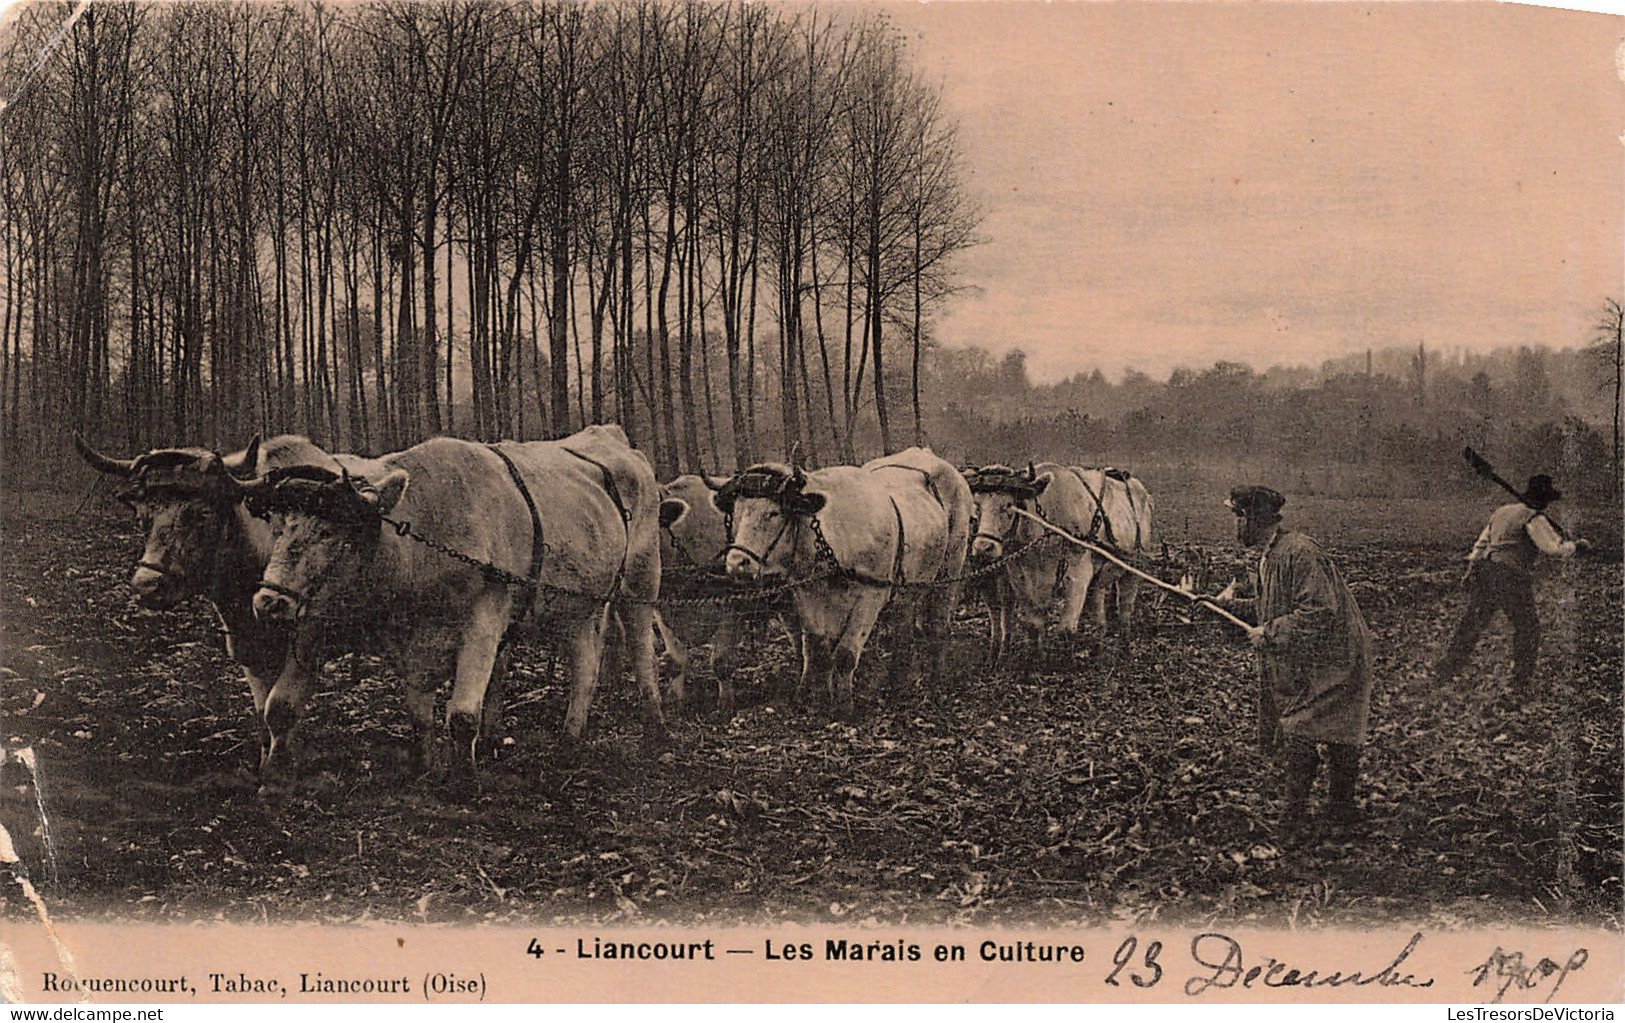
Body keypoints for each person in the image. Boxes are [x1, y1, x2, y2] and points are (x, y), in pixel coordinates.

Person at [1215, 485, 1374, 837]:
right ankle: (1337, 809)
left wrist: (1269, 633)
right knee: (1325, 729)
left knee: (1308, 727)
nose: (1236, 527)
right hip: (1319, 656)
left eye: (1238, 518)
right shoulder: (1270, 555)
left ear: (1253, 519)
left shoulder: (1300, 553)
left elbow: (1319, 610)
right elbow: (1269, 609)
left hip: (1339, 655)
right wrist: (1221, 609)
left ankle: (1298, 816)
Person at [1432, 474, 1589, 693]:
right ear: (1543, 500)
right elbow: (1551, 548)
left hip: (1486, 571)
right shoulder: (1534, 518)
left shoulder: (1502, 512)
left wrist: (1470, 569)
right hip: (1509, 576)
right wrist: (1575, 547)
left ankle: (1446, 670)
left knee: (1473, 622)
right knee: (1528, 627)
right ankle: (1520, 681)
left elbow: (1482, 544)